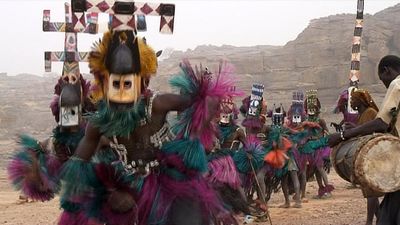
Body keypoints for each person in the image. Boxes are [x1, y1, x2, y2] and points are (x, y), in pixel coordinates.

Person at [58, 29, 239, 225]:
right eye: (114, 84)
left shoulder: (158, 105)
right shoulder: (98, 124)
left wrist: (190, 140)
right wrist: (105, 191)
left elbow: (210, 99)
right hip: (129, 185)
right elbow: (77, 166)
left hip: (172, 181)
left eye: (127, 84)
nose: (120, 93)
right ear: (103, 83)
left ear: (143, 82)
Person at [329, 55, 400, 225]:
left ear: (386, 70)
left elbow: (381, 123)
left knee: (390, 215)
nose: (384, 83)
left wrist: (342, 136)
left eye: (382, 79)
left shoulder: (397, 85)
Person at [348, 89, 380, 225]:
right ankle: (382, 219)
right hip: (365, 156)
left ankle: (369, 222)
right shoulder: (362, 115)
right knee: (370, 192)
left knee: (371, 192)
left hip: (371, 156)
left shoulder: (371, 113)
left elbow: (372, 132)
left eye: (353, 99)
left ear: (360, 101)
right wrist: (353, 127)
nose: (351, 101)